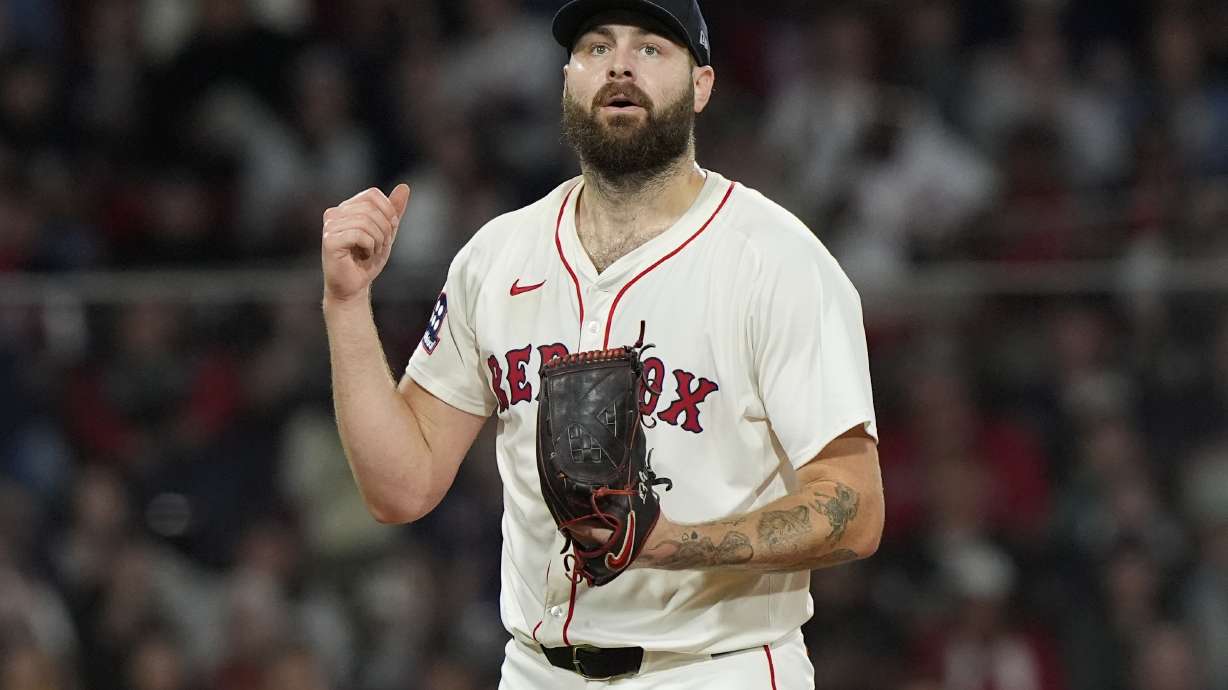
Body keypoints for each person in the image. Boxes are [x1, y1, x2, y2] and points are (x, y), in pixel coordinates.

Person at [320, 1, 884, 687]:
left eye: (651, 48)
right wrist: (347, 305)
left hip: (714, 667)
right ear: (567, 80)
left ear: (701, 85)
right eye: (595, 48)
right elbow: (400, 487)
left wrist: (675, 543)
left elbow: (855, 508)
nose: (618, 63)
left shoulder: (778, 262)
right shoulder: (499, 256)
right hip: (535, 669)